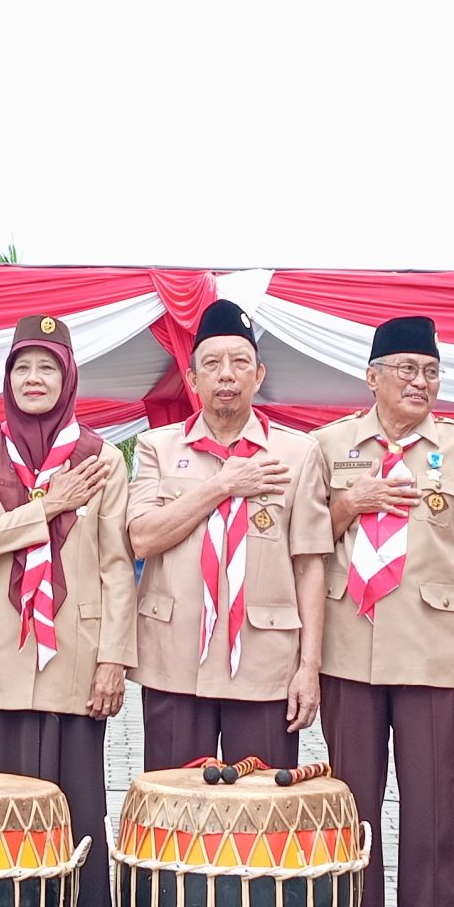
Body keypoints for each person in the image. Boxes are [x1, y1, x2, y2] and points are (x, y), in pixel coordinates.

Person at [315, 316, 454, 907]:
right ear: (372, 377)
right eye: (405, 370)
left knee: (431, 803)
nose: (420, 383)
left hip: (433, 645)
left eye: (430, 372)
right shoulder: (331, 444)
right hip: (349, 641)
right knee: (349, 799)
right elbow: (305, 543)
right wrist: (349, 505)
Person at [0, 315, 137, 907]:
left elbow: (118, 565)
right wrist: (48, 503)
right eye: (22, 368)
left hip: (76, 651)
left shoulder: (103, 456)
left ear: (67, 379)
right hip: (1, 645)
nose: (33, 380)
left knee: (71, 798)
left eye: (47, 369)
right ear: (7, 379)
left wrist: (114, 658)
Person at [127, 301, 331, 769]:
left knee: (260, 814)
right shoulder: (157, 447)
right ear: (193, 379)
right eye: (212, 364)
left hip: (264, 660)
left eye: (239, 362)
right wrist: (222, 486)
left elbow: (310, 564)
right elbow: (142, 537)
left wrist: (309, 668)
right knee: (173, 810)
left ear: (258, 375)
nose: (226, 375)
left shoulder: (297, 454)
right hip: (175, 659)